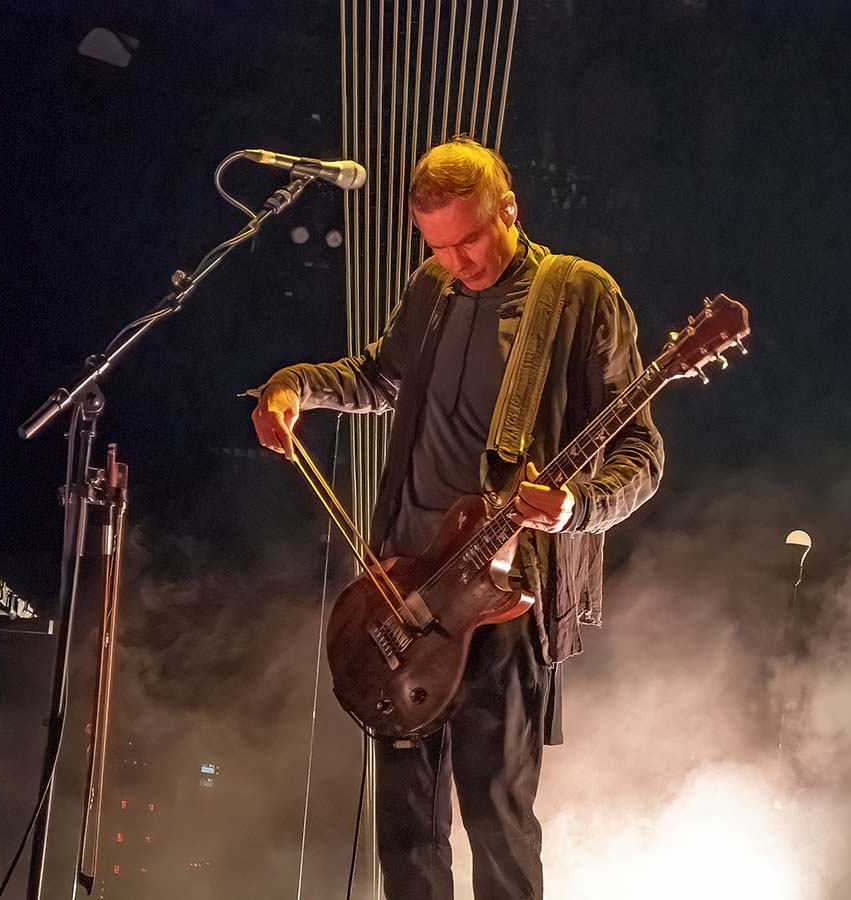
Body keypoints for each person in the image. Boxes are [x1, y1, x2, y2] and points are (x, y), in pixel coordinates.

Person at [250, 136, 663, 900]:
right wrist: (295, 386)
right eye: (436, 246)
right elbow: (376, 376)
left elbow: (641, 451)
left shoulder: (579, 295)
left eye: (467, 240)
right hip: (404, 592)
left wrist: (577, 507)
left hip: (502, 601)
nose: (456, 261)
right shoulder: (433, 287)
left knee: (497, 823)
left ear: (509, 210)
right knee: (407, 836)